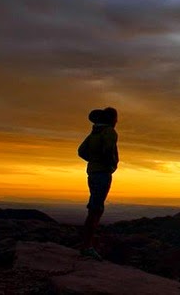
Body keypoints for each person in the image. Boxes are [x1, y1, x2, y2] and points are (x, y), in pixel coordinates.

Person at [77, 107, 119, 260]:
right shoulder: (109, 132)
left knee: (94, 208)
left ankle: (86, 245)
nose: (117, 121)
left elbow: (81, 151)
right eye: (115, 118)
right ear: (111, 119)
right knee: (96, 209)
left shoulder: (94, 133)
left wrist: (93, 160)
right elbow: (108, 150)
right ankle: (87, 247)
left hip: (92, 172)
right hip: (102, 173)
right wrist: (110, 164)